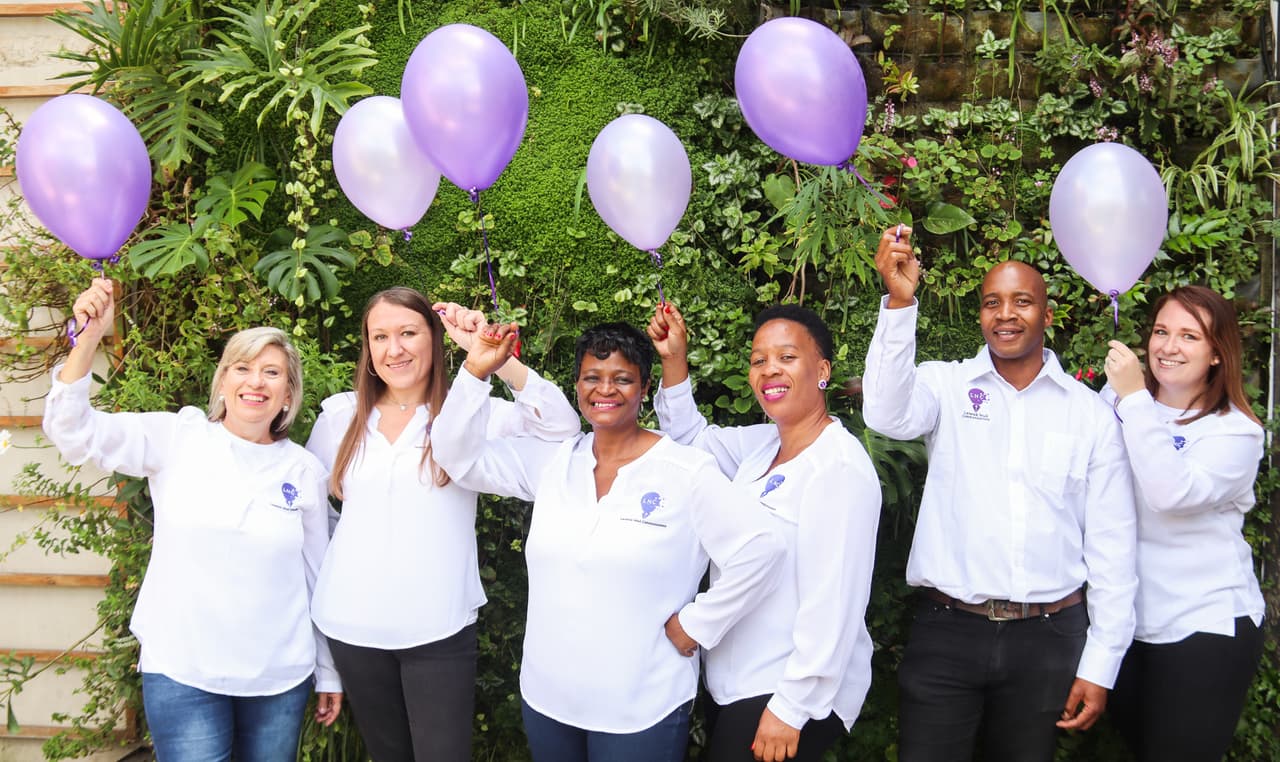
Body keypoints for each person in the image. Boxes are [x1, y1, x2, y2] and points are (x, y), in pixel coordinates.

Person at [429, 320, 782, 762]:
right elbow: (453, 455)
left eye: (622, 379)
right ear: (577, 385)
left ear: (645, 386)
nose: (605, 390)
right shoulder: (554, 462)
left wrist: (699, 624)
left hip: (641, 708)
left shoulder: (686, 470)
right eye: (592, 377)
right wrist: (476, 372)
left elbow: (761, 548)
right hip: (548, 700)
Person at [862, 226, 1138, 762]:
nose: (1005, 314)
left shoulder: (1090, 416)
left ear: (1047, 315)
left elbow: (1112, 550)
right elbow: (886, 414)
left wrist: (1100, 664)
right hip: (947, 632)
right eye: (992, 303)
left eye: (1021, 301)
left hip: (1049, 638)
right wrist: (900, 302)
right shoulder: (946, 385)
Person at [42, 278, 341, 760]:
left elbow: (318, 578)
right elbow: (71, 431)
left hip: (279, 678)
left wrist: (329, 671)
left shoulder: (304, 471)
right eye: (242, 368)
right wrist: (88, 339)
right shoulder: (176, 438)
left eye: (271, 372)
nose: (255, 382)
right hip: (184, 671)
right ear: (223, 382)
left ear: (288, 394)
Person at [303, 287, 581, 762]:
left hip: (438, 628)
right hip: (351, 628)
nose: (395, 349)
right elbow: (314, 524)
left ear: (435, 339)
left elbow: (562, 429)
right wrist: (325, 663)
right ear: (368, 349)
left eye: (409, 333)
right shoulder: (340, 416)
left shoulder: (473, 411)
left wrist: (494, 359)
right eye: (381, 336)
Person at [648, 302, 883, 762]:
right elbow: (692, 447)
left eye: (787, 357)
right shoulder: (763, 447)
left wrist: (792, 708)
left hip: (785, 691)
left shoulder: (838, 467)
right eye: (759, 360)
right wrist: (674, 360)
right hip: (738, 684)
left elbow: (835, 601)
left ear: (823, 370)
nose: (769, 369)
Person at [1101, 285, 1265, 762]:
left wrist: (1133, 400)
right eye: (1161, 331)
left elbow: (1169, 494)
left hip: (1204, 626)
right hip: (1129, 628)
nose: (1168, 347)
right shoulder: (1112, 403)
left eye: (1190, 336)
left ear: (1217, 354)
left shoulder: (1236, 432)